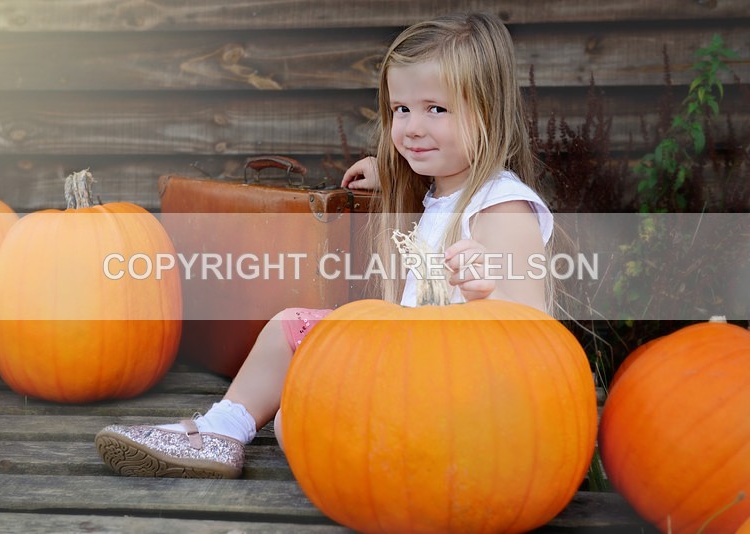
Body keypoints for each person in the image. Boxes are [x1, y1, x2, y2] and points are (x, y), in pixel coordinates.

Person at [95, 11, 553, 479]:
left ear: (489, 111)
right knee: (291, 328)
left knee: (305, 419)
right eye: (401, 109)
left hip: (458, 393)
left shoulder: (502, 208)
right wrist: (390, 170)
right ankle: (221, 430)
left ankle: (322, 439)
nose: (413, 127)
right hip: (407, 361)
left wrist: (483, 293)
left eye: (436, 109)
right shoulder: (440, 187)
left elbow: (533, 337)